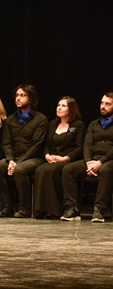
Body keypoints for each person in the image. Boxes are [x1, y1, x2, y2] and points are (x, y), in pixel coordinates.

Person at [0, 84, 48, 217]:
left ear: (31, 99)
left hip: (33, 158)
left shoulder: (40, 119)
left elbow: (36, 145)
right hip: (14, 158)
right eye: (17, 95)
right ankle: (7, 206)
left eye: (22, 95)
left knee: (20, 169)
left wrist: (17, 162)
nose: (18, 98)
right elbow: (7, 143)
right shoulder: (10, 119)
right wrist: (10, 160)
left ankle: (25, 208)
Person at [61, 92, 113, 222]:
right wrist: (89, 162)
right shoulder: (94, 124)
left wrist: (100, 162)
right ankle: (72, 208)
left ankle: (99, 209)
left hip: (109, 160)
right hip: (92, 159)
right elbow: (87, 144)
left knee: (106, 169)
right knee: (68, 170)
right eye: (102, 103)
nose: (103, 106)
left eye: (107, 104)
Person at [33, 96, 85, 219]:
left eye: (63, 106)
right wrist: (47, 156)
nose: (59, 108)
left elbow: (79, 147)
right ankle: (42, 209)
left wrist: (65, 158)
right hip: (53, 158)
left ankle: (55, 209)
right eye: (58, 105)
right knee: (40, 169)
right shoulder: (52, 124)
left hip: (68, 160)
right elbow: (46, 145)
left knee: (52, 171)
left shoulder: (78, 125)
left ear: (71, 109)